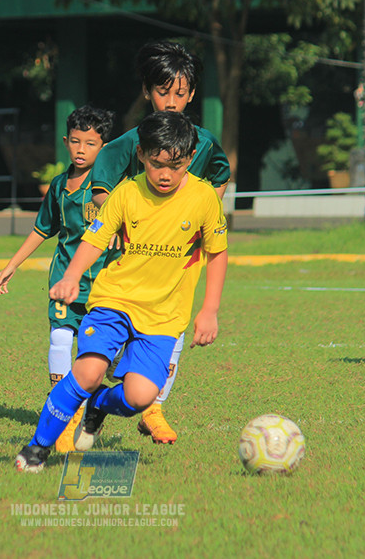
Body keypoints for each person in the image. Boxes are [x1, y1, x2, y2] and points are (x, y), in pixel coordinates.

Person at [15, 111, 229, 472]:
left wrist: (209, 310)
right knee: (88, 371)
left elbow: (217, 252)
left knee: (139, 397)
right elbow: (94, 240)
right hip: (114, 301)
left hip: (164, 316)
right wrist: (71, 276)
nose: (165, 174)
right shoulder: (127, 193)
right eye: (157, 164)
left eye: (175, 166)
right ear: (142, 154)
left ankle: (99, 405)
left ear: (190, 158)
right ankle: (38, 447)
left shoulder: (204, 198)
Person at [88, 40, 231, 444]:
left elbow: (220, 176)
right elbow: (101, 189)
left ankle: (152, 407)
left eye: (180, 93)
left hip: (178, 259)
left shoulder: (203, 143)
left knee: (172, 327)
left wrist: (204, 215)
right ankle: (92, 394)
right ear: (148, 92)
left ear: (191, 95)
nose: (171, 101)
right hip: (131, 262)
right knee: (117, 334)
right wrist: (116, 218)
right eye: (163, 92)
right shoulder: (127, 143)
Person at [0, 105, 115, 452]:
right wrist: (11, 265)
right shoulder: (60, 185)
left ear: (104, 147)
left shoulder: (114, 187)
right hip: (65, 281)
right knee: (60, 338)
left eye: (90, 144)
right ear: (65, 141)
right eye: (75, 141)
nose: (80, 149)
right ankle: (64, 417)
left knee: (106, 362)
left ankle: (96, 407)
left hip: (106, 287)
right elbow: (41, 229)